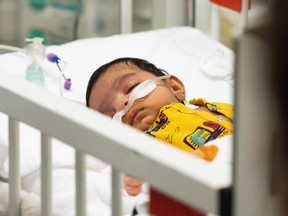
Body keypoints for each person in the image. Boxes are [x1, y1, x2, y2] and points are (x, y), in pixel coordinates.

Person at [85, 57, 233, 196]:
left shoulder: (213, 109)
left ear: (175, 87)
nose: (121, 105)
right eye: (111, 116)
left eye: (131, 87)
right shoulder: (143, 145)